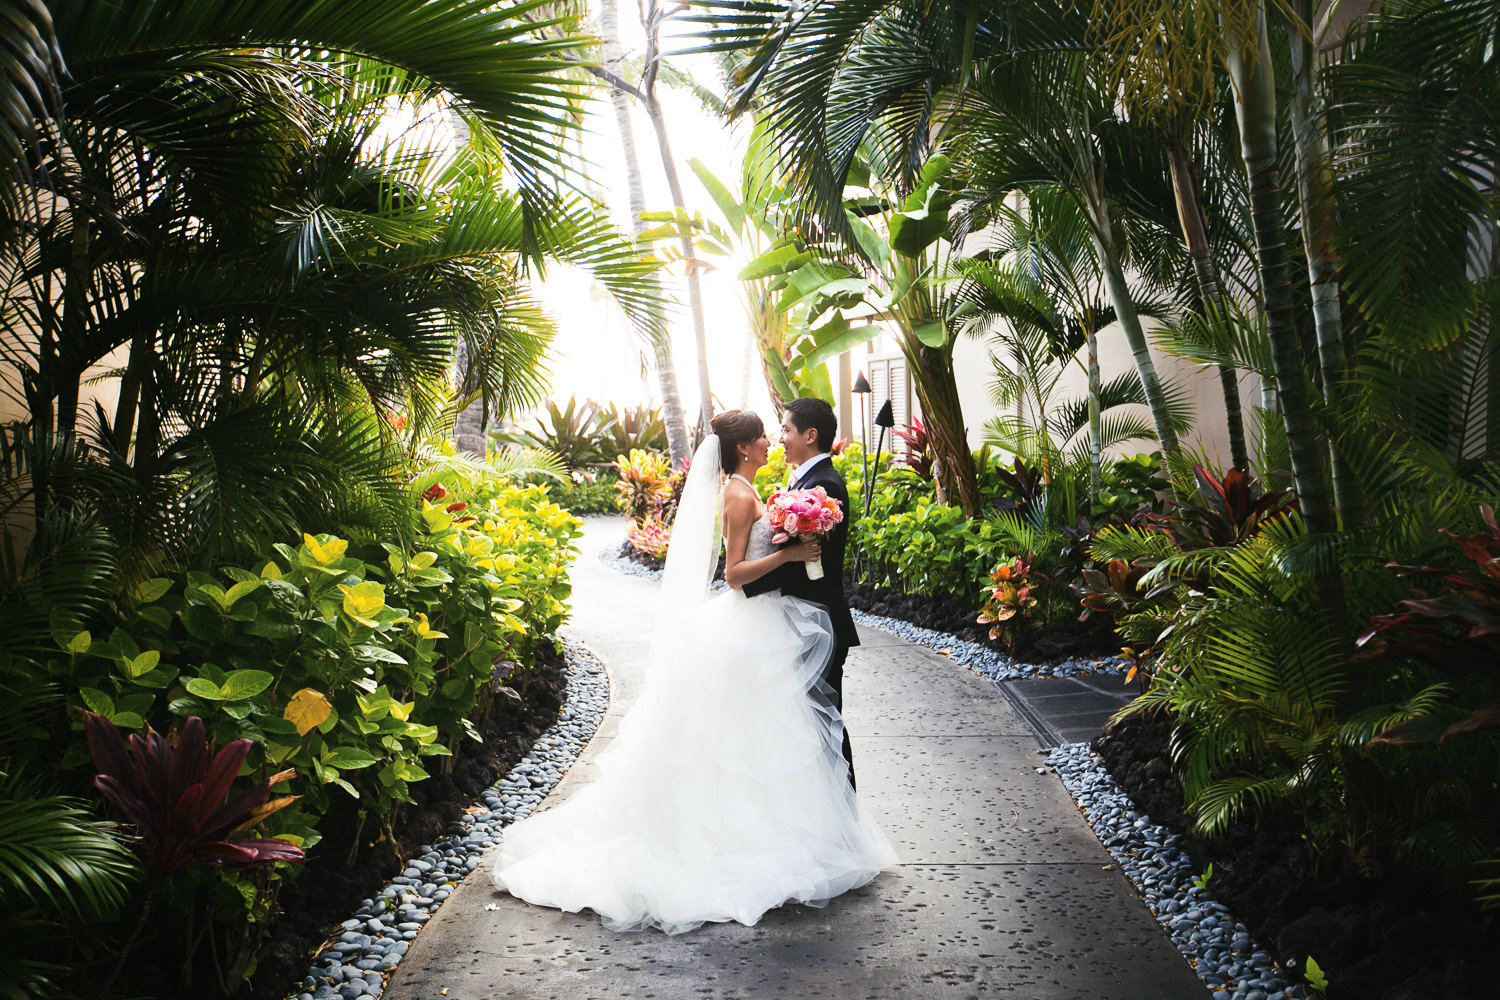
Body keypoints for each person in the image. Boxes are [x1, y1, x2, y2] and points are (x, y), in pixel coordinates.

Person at [491, 409, 896, 935]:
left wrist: (794, 549)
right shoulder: (737, 494)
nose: (773, 442)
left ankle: (796, 836)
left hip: (772, 620)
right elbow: (732, 575)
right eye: (763, 438)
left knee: (770, 736)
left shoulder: (755, 488)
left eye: (782, 433)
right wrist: (792, 551)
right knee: (751, 735)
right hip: (755, 619)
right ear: (745, 447)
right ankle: (746, 842)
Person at [743, 398, 859, 787]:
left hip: (819, 623)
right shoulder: (805, 481)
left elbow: (810, 569)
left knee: (826, 727)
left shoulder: (824, 484)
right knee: (809, 727)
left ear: (811, 435)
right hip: (802, 622)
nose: (781, 439)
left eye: (787, 430)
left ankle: (845, 820)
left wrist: (746, 584)